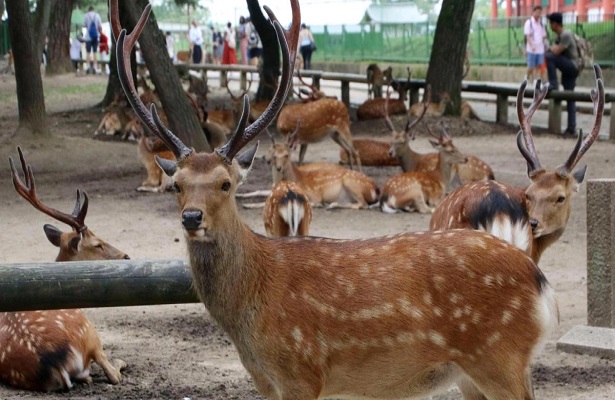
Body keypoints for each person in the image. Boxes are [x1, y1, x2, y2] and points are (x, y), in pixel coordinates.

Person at [545, 12, 580, 136]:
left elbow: (556, 51)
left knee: (548, 56)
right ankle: (571, 128)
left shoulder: (566, 34)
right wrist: (551, 48)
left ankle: (553, 84)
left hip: (572, 67)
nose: (550, 26)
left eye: (550, 23)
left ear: (555, 24)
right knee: (570, 96)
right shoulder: (559, 37)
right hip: (568, 68)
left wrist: (549, 48)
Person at [523, 5, 546, 83]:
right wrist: (532, 45)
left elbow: (544, 35)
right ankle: (527, 76)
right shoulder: (529, 23)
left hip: (540, 48)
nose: (538, 14)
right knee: (531, 66)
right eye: (537, 12)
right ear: (533, 12)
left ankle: (536, 79)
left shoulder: (541, 24)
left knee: (539, 65)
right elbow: (527, 36)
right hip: (532, 49)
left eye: (540, 12)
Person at [83, 6, 102, 74]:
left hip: (88, 37)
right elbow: (100, 27)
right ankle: (95, 67)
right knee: (95, 53)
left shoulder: (86, 15)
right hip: (95, 37)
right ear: (93, 10)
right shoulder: (97, 15)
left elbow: (84, 25)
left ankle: (87, 67)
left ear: (88, 10)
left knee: (88, 53)